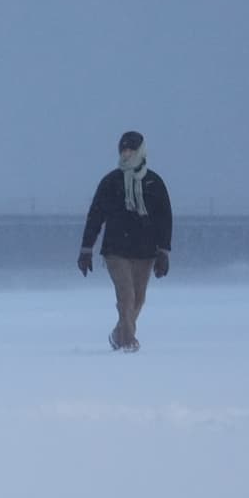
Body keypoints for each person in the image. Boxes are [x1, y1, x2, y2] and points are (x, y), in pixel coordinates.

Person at [77, 131, 173, 352]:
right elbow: (95, 216)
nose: (127, 154)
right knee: (126, 296)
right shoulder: (111, 182)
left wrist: (163, 252)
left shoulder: (154, 183)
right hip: (116, 250)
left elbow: (164, 219)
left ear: (140, 151)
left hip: (146, 252)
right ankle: (128, 341)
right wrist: (86, 249)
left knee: (138, 299)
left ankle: (118, 334)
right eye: (124, 150)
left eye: (131, 149)